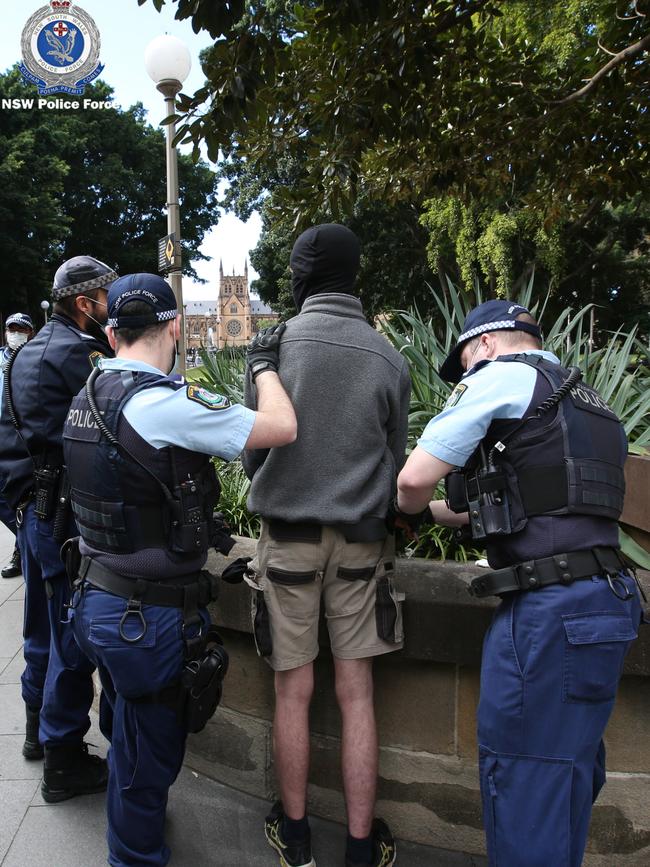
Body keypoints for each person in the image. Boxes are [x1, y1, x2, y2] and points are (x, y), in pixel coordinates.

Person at [395, 299, 643, 867]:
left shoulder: (498, 377)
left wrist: (404, 508)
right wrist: (440, 511)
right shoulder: (590, 403)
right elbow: (539, 502)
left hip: (548, 613)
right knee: (568, 776)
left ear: (483, 345)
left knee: (526, 783)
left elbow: (413, 478)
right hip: (607, 600)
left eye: (463, 362)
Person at [64, 273, 297, 867]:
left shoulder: (88, 394)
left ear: (111, 332)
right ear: (175, 326)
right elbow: (280, 429)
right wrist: (265, 368)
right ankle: (135, 854)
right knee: (150, 757)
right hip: (147, 615)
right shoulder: (165, 405)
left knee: (123, 723)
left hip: (95, 595)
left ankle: (130, 816)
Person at [242, 224, 410, 867]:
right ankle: (362, 848)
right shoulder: (387, 357)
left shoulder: (276, 347)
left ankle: (298, 836)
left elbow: (255, 447)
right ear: (354, 275)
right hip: (362, 548)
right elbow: (395, 467)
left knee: (293, 693)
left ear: (301, 278)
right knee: (357, 692)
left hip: (288, 543)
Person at [0, 256, 115, 792]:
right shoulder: (82, 354)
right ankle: (63, 756)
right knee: (70, 634)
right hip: (65, 518)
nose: (109, 306)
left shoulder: (22, 356)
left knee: (39, 629)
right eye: (104, 297)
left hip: (34, 513)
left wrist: (19, 512)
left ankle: (34, 733)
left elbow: (6, 443)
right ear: (84, 303)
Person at [0, 312, 35, 579]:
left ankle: (22, 548)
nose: (15, 333)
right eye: (11, 329)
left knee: (21, 495)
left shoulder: (34, 359)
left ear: (30, 333)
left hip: (22, 440)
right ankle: (25, 539)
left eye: (21, 329)